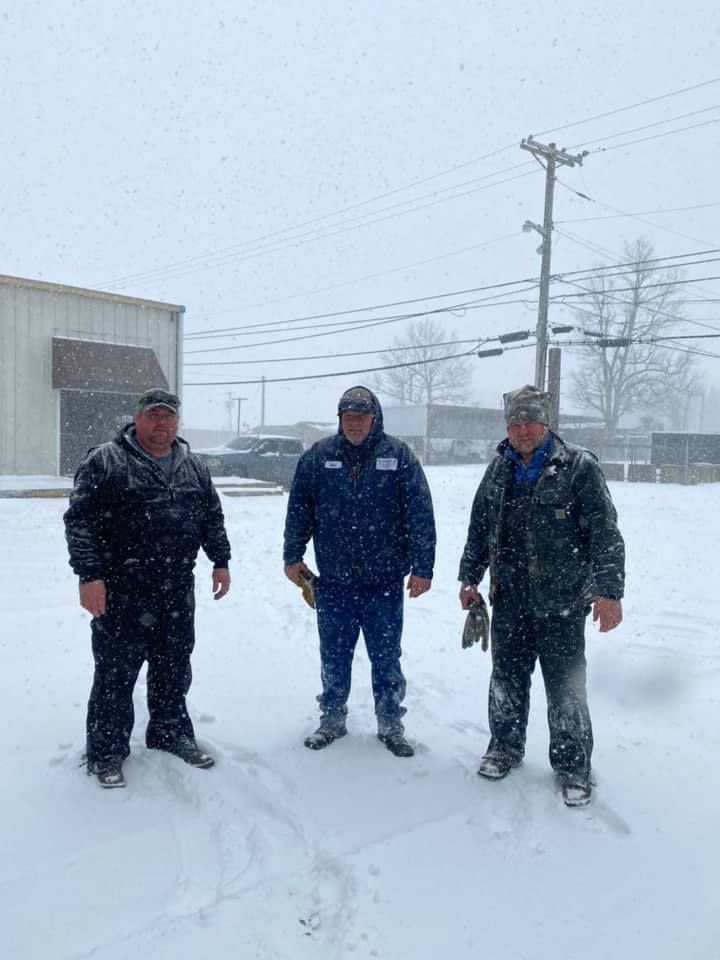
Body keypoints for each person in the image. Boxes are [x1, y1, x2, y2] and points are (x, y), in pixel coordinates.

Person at [458, 384, 625, 806]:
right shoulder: (499, 468)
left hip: (563, 603)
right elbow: (480, 526)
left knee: (566, 689)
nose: (522, 429)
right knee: (506, 680)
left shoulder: (577, 467)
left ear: (546, 423)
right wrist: (469, 577)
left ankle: (573, 767)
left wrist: (609, 592)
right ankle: (504, 747)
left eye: (529, 421)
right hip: (509, 598)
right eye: (514, 422)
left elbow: (605, 534)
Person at [64, 388, 231, 789]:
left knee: (174, 666)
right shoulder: (106, 461)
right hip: (122, 588)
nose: (163, 423)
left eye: (169, 416)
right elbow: (79, 522)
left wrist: (221, 560)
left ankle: (170, 732)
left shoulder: (192, 465)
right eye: (154, 415)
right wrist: (89, 576)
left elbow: (211, 514)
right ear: (137, 418)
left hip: (175, 586)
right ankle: (106, 751)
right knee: (116, 673)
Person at [283, 385, 436, 758]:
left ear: (374, 417)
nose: (354, 423)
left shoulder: (398, 456)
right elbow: (299, 508)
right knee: (334, 654)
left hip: (383, 582)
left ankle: (390, 722)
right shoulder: (319, 457)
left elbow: (420, 513)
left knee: (386, 656)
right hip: (333, 580)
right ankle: (332, 718)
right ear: (340, 419)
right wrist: (292, 555)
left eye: (361, 416)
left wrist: (423, 566)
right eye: (347, 417)